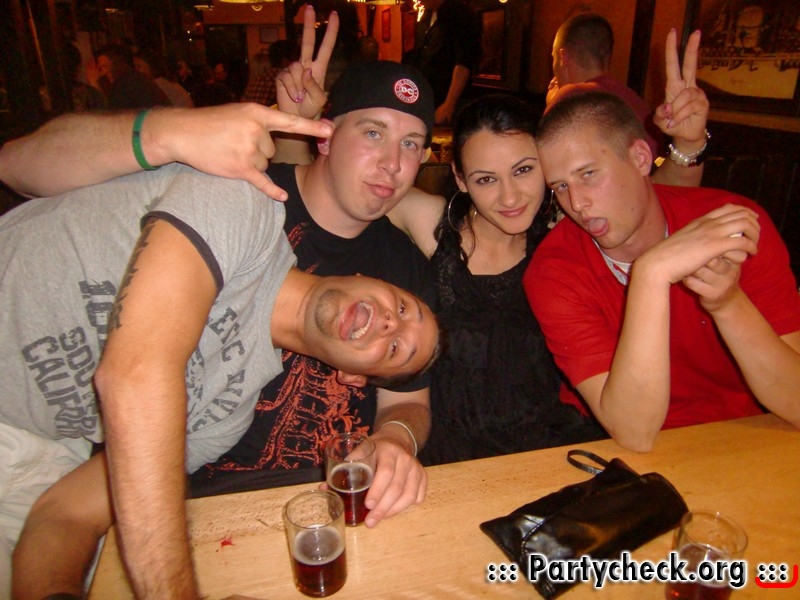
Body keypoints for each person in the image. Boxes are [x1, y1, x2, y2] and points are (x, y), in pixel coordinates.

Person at [1, 133, 441, 598]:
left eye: (395, 349)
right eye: (403, 307)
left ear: (353, 378)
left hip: (36, 443)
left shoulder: (223, 418)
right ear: (364, 276)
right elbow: (134, 376)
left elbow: (63, 514)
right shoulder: (244, 209)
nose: (391, 324)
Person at [524, 90, 800, 454]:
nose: (576, 203)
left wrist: (727, 303)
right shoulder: (554, 271)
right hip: (629, 448)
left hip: (748, 432)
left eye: (588, 174)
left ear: (641, 158)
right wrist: (651, 274)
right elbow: (634, 432)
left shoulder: (731, 225)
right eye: (560, 186)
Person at [547, 13, 664, 158]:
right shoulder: (639, 103)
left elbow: (548, 160)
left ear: (563, 57)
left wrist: (553, 104)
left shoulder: (570, 98)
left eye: (553, 57)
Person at [404, 0, 481, 125]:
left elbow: (464, 62)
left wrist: (450, 103)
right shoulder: (426, 15)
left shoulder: (459, 14)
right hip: (427, 99)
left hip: (447, 101)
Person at [92, 43, 171, 110]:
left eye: (105, 67)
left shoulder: (125, 83)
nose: (102, 73)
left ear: (118, 63)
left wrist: (94, 83)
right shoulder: (138, 79)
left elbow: (110, 117)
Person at [241, 40, 297, 107]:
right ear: (285, 61)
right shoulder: (285, 81)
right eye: (296, 60)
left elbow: (242, 104)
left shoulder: (257, 80)